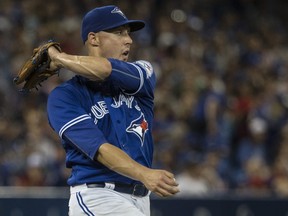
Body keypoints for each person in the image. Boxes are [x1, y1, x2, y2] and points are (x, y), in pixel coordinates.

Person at [46, 5, 179, 216]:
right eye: (118, 33)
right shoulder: (63, 97)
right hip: (97, 197)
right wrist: (144, 173)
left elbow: (106, 69)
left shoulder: (144, 72)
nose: (129, 40)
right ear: (94, 39)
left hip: (141, 199)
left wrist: (60, 58)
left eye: (128, 33)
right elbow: (99, 149)